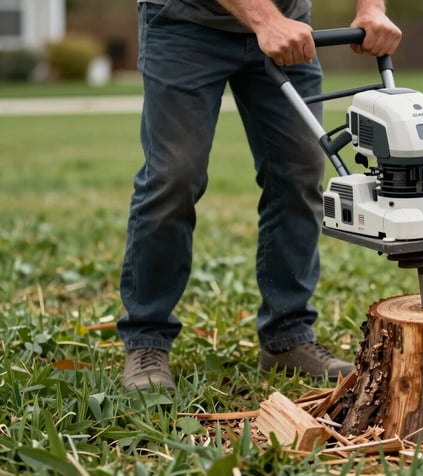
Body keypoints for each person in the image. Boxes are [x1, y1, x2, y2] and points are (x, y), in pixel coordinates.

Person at [119, 0, 402, 390]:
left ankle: (287, 337)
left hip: (289, 26)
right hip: (184, 22)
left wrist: (372, 9)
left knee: (299, 173)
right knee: (174, 176)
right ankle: (147, 339)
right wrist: (265, 19)